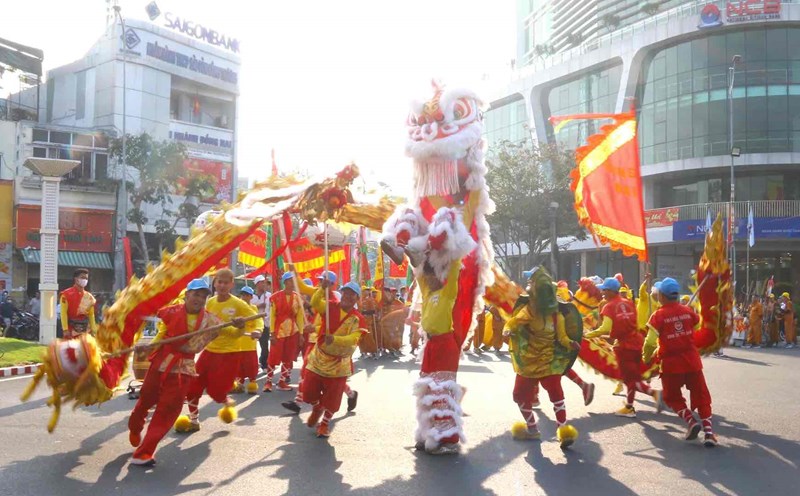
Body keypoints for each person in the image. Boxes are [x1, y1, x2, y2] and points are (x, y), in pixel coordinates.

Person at [128, 279, 223, 467]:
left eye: (204, 296)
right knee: (146, 399)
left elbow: (231, 332)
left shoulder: (210, 321)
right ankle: (135, 425)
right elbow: (161, 333)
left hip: (184, 367)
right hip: (162, 361)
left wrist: (238, 326)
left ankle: (144, 452)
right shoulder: (171, 312)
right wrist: (151, 347)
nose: (200, 299)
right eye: (196, 294)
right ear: (187, 295)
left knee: (168, 409)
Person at [504, 267, 581, 448]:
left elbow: (562, 338)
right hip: (528, 363)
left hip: (549, 362)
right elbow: (512, 323)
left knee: (557, 396)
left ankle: (563, 432)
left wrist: (571, 343)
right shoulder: (529, 311)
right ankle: (532, 428)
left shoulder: (557, 316)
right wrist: (507, 330)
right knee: (519, 396)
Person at [178, 269, 258, 432]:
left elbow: (257, 319)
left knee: (216, 391)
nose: (222, 285)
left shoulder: (238, 304)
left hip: (230, 354)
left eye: (225, 282)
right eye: (219, 282)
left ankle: (226, 401)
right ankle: (194, 420)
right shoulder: (209, 303)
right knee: (193, 387)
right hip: (209, 351)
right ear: (214, 283)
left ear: (231, 285)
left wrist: (258, 330)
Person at [643, 277, 718, 447]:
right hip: (692, 361)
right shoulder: (688, 311)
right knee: (702, 396)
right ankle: (708, 433)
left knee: (671, 397)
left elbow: (649, 342)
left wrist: (646, 357)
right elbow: (697, 329)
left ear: (661, 295)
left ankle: (691, 421)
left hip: (671, 365)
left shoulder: (658, 315)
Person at [585, 277, 662, 418]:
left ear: (610, 291)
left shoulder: (609, 306)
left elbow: (605, 328)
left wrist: (589, 335)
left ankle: (648, 397)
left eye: (604, 290)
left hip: (624, 346)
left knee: (628, 379)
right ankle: (634, 404)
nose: (602, 292)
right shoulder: (629, 303)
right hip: (637, 342)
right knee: (633, 377)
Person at [299, 280, 367, 438]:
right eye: (345, 292)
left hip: (339, 364)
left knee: (333, 399)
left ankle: (324, 424)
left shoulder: (358, 319)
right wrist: (322, 288)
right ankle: (316, 407)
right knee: (308, 392)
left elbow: (354, 338)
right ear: (341, 294)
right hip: (318, 358)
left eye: (352, 294)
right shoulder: (330, 306)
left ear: (357, 299)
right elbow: (315, 302)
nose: (348, 296)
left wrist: (335, 340)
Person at [264, 272, 305, 392]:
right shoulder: (275, 297)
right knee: (273, 357)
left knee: (288, 357)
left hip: (293, 331)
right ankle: (268, 382)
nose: (293, 283)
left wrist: (301, 334)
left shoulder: (297, 297)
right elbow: (272, 316)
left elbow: (299, 317)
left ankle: (282, 381)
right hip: (278, 331)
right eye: (291, 281)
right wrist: (272, 333)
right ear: (285, 282)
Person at [233, 286, 263, 394]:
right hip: (238, 343)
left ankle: (252, 384)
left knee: (251, 365)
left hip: (250, 342)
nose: (244, 297)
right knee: (238, 367)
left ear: (251, 297)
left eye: (246, 295)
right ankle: (238, 385)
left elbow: (259, 321)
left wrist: (258, 330)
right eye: (242, 295)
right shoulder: (236, 309)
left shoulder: (253, 309)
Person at [60, 268, 97, 339]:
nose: (85, 280)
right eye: (82, 277)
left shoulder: (89, 297)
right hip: (70, 330)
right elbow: (63, 313)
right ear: (76, 279)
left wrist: (93, 330)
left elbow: (91, 315)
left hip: (85, 331)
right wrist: (65, 329)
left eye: (86, 278)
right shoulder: (66, 294)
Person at [252, 275, 272, 372]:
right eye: (261, 282)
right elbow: (248, 307)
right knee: (251, 346)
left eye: (265, 282)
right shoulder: (250, 295)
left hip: (265, 324)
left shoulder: (269, 296)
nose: (264, 284)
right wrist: (259, 306)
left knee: (264, 346)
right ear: (256, 284)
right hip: (252, 324)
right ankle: (254, 364)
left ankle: (264, 363)